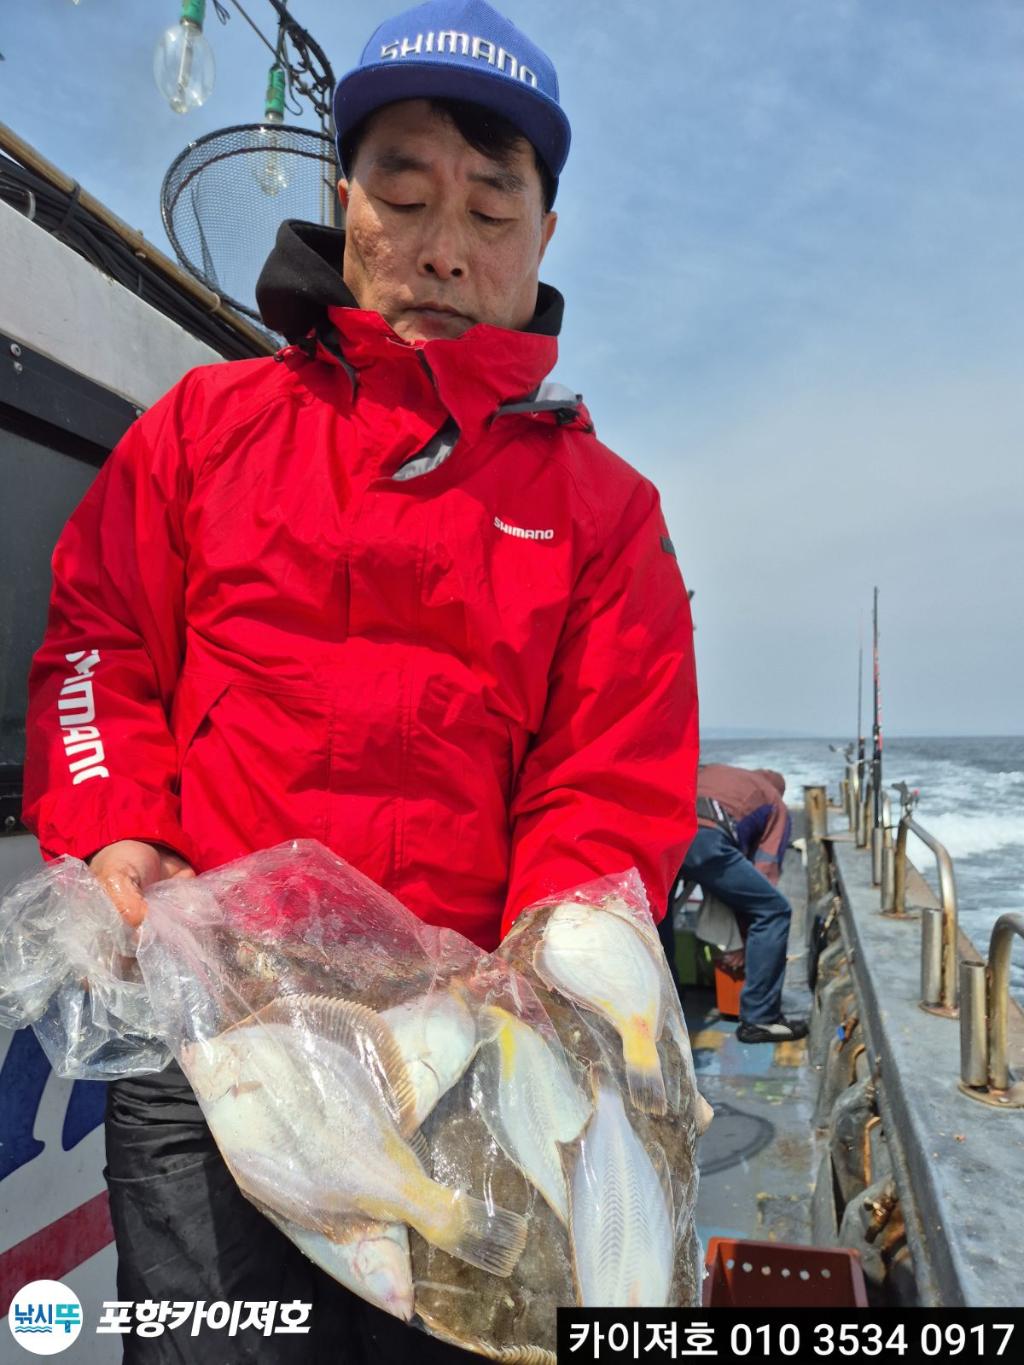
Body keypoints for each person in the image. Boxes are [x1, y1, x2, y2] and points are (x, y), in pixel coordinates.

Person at [22, 1, 698, 1358]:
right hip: (214, 1051)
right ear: (346, 205)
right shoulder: (204, 430)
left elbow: (605, 781)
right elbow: (99, 641)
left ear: (545, 239)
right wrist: (118, 822)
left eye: (493, 212)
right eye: (404, 190)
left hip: (466, 1066)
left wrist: (537, 973)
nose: (446, 247)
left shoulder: (604, 511)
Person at [679, 764, 807, 1044]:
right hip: (706, 839)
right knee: (775, 911)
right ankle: (760, 1019)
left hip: (662, 831)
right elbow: (764, 874)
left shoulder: (717, 773)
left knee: (658, 912)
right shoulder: (774, 803)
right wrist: (746, 943)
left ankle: (665, 1000)